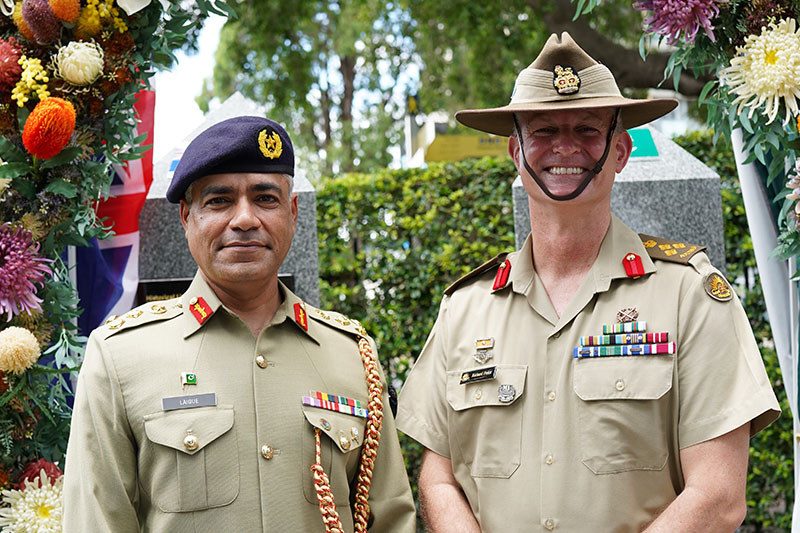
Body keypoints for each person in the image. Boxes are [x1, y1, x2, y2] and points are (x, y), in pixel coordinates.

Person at [396, 32, 780, 532]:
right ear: (517, 151)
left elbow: (718, 497)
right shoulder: (465, 309)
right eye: (543, 130)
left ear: (619, 151)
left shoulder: (689, 295)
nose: (565, 147)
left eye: (586, 129)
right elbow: (438, 476)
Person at [63, 117, 416, 532]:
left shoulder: (351, 354)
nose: (245, 219)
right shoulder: (119, 357)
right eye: (220, 201)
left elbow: (389, 517)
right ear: (186, 217)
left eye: (265, 198)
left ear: (293, 212)